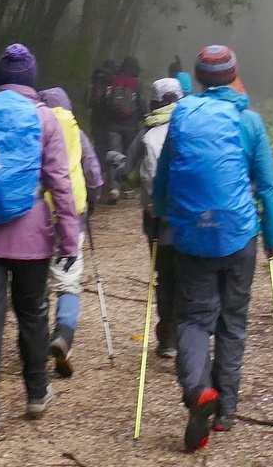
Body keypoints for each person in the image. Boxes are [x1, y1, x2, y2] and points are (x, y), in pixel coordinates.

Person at [0, 45, 81, 444]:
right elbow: (59, 181)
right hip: (30, 235)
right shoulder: (44, 118)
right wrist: (69, 238)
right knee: (32, 313)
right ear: (32, 78)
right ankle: (37, 393)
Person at [152, 45, 273, 452]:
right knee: (233, 322)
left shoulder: (182, 118)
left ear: (199, 77)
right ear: (234, 76)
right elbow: (268, 187)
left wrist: (161, 215)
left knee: (193, 320)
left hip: (192, 239)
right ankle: (225, 410)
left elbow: (162, 181)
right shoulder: (250, 122)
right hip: (240, 236)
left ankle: (197, 390)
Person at [39, 88, 104, 378]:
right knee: (68, 283)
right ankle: (63, 334)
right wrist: (93, 198)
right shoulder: (76, 132)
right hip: (70, 217)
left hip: (36, 218)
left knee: (36, 285)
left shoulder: (35, 126)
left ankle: (37, 343)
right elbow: (92, 172)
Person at [123, 77, 184, 358]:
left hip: (156, 217)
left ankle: (168, 338)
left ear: (155, 101)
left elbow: (126, 172)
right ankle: (188, 334)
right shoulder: (192, 125)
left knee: (164, 275)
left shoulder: (146, 129)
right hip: (189, 214)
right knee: (189, 274)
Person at [105, 56, 145, 202]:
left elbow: (107, 102)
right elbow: (140, 102)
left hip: (113, 125)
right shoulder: (135, 83)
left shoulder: (114, 80)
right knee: (130, 156)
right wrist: (143, 117)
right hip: (131, 125)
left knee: (113, 155)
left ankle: (114, 188)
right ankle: (128, 188)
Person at [87, 58, 116, 164]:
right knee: (102, 142)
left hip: (94, 113)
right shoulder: (112, 78)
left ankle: (90, 158)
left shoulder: (96, 75)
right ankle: (98, 164)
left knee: (95, 137)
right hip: (105, 114)